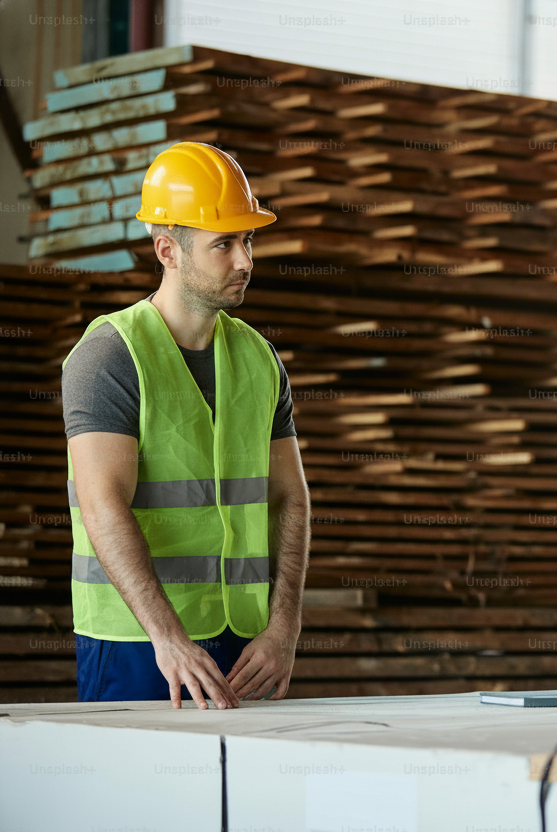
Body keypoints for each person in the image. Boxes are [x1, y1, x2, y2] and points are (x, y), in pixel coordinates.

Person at [62, 142, 310, 709]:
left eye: (247, 240)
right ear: (167, 250)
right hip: (137, 644)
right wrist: (168, 639)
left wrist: (284, 628)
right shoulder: (110, 355)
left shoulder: (259, 359)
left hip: (246, 643)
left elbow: (290, 500)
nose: (245, 260)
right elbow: (103, 506)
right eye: (223, 244)